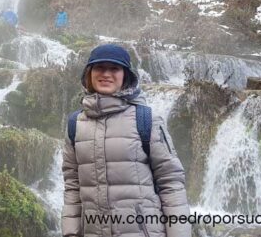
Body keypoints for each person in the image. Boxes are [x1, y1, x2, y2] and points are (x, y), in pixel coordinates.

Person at [62, 44, 191, 237]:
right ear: (89, 74)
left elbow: (171, 182)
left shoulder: (146, 120)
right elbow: (73, 186)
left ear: (126, 76)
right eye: (99, 67)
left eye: (114, 68)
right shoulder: (75, 124)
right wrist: (70, 233)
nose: (106, 74)